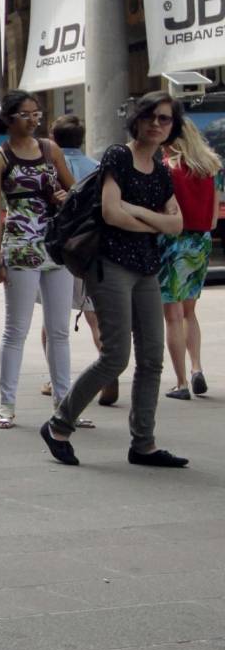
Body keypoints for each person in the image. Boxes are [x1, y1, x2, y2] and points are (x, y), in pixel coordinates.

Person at [42, 91, 188, 469]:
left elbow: (177, 225)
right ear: (136, 120)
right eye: (151, 117)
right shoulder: (118, 156)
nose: (157, 124)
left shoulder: (160, 172)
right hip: (110, 264)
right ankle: (59, 424)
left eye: (165, 119)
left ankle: (144, 444)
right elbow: (110, 212)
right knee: (115, 357)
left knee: (153, 358)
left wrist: (137, 211)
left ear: (173, 127)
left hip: (145, 267)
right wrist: (151, 219)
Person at [0, 90, 76, 430]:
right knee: (16, 330)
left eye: (36, 113)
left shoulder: (51, 150)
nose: (34, 119)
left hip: (56, 246)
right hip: (21, 247)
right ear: (9, 118)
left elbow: (76, 191)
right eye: (26, 114)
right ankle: (7, 405)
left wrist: (67, 196)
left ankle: (65, 404)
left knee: (59, 331)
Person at [39, 114, 105, 399]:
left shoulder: (49, 168)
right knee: (94, 316)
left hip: (59, 249)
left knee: (52, 320)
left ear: (53, 138)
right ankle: (106, 369)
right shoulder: (97, 168)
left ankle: (55, 380)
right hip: (90, 249)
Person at [158, 117, 221, 399]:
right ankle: (197, 368)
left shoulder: (165, 170)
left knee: (171, 315)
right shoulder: (210, 168)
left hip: (172, 243)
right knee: (189, 312)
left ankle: (181, 382)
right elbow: (212, 219)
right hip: (201, 241)